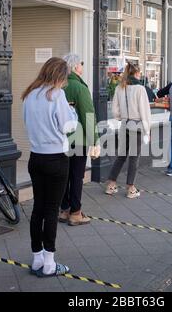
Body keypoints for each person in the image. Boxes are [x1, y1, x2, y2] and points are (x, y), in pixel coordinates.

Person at [22, 57, 78, 277]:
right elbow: (68, 126)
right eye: (65, 78)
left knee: (38, 209)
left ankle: (37, 259)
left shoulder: (29, 95)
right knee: (52, 211)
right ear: (60, 76)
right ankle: (50, 263)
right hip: (56, 159)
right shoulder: (57, 95)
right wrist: (72, 113)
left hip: (35, 157)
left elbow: (27, 123)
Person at [58, 54, 100, 226]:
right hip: (78, 139)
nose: (82, 66)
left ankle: (64, 210)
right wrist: (94, 141)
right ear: (75, 67)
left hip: (61, 139)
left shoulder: (58, 86)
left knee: (64, 176)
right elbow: (88, 116)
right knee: (76, 177)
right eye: (81, 64)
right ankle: (76, 212)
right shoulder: (79, 88)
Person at [105, 63, 151, 199]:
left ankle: (111, 185)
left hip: (124, 124)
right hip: (136, 126)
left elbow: (114, 110)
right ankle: (131, 188)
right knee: (133, 158)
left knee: (121, 156)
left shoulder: (120, 87)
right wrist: (147, 130)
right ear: (136, 73)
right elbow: (145, 111)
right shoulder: (140, 89)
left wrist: (121, 117)